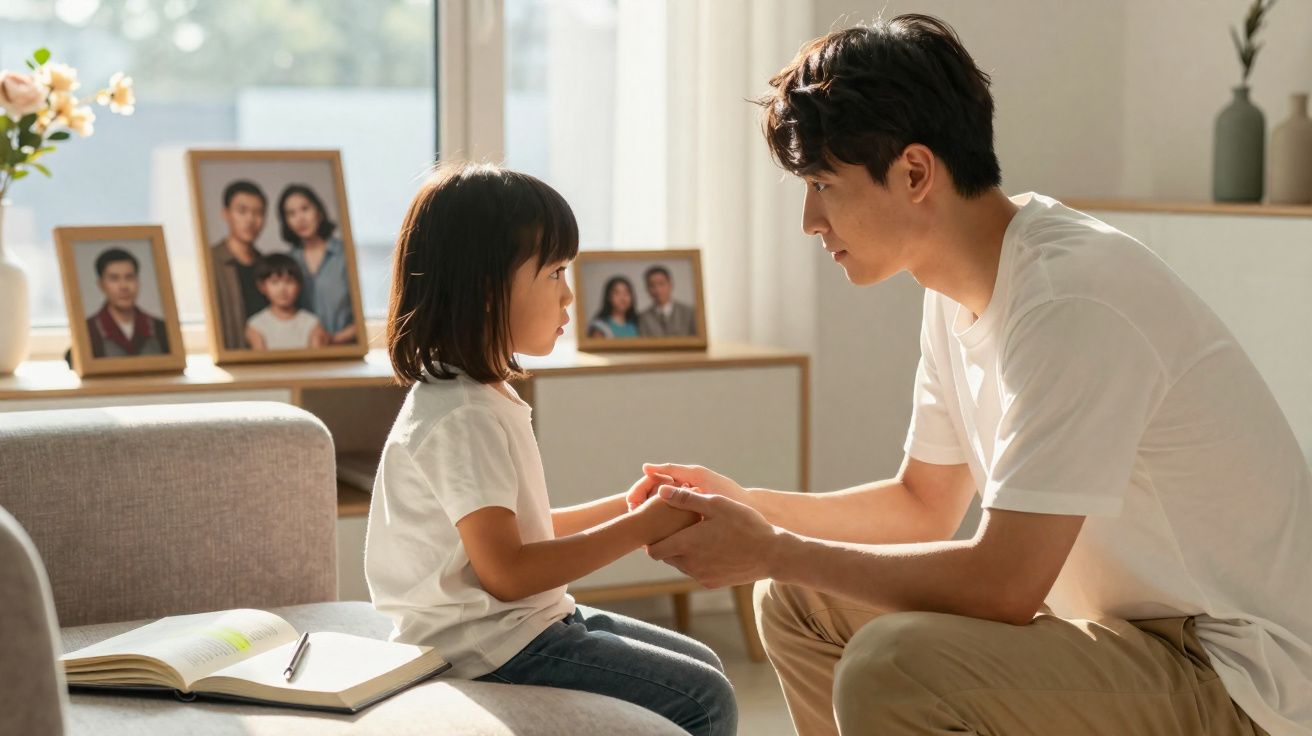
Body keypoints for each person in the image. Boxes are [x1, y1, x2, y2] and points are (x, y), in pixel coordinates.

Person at [628, 15, 1310, 736]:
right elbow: (922, 503)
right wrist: (749, 509)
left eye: (824, 183)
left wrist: (773, 546)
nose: (809, 220)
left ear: (915, 173)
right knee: (796, 598)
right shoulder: (957, 288)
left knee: (892, 666)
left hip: (1238, 680)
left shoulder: (1070, 300)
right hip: (1122, 639)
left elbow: (1004, 586)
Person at [364, 162, 737, 736]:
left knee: (703, 663)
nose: (569, 294)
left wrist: (628, 508)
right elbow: (509, 573)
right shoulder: (462, 416)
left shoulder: (478, 395)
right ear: (487, 289)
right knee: (704, 698)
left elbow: (520, 538)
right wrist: (641, 528)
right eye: (556, 272)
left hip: (516, 626)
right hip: (480, 648)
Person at [279, 184, 356, 345]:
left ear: (319, 211)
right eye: (291, 214)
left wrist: (335, 339)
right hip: (302, 351)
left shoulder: (345, 254)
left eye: (305, 209)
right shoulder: (287, 263)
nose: (300, 219)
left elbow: (363, 312)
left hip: (347, 348)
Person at [210, 180, 269, 350]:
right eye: (242, 211)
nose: (250, 220)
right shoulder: (210, 262)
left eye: (258, 213)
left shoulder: (267, 265)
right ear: (226, 214)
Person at [85, 247, 169, 358]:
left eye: (129, 277)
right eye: (114, 278)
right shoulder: (88, 331)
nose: (123, 286)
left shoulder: (161, 329)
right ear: (101, 284)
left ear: (138, 282)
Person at [244, 254, 327, 351]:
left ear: (299, 286)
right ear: (262, 287)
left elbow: (316, 359)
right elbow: (260, 360)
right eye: (275, 282)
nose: (282, 289)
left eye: (289, 281)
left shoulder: (312, 324)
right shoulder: (256, 326)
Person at [637, 266, 697, 337]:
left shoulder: (689, 313)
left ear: (670, 285)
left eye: (661, 284)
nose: (657, 290)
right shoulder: (642, 318)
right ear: (647, 289)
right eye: (652, 285)